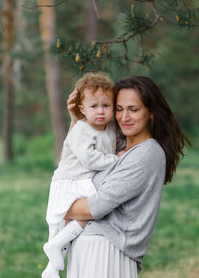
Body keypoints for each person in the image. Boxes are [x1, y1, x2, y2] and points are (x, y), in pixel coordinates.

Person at [64, 75, 190, 278]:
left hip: (106, 255)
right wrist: (77, 122)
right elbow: (68, 169)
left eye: (133, 109)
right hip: (88, 251)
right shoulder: (116, 146)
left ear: (151, 113)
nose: (124, 117)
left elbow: (96, 207)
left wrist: (60, 206)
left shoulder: (147, 153)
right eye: (119, 109)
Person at [42, 72, 118, 278]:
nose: (100, 111)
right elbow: (90, 159)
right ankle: (54, 246)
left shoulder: (109, 128)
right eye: (94, 106)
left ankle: (52, 268)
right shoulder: (81, 129)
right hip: (71, 180)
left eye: (106, 105)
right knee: (86, 214)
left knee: (72, 224)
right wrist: (116, 160)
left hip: (83, 179)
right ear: (82, 108)